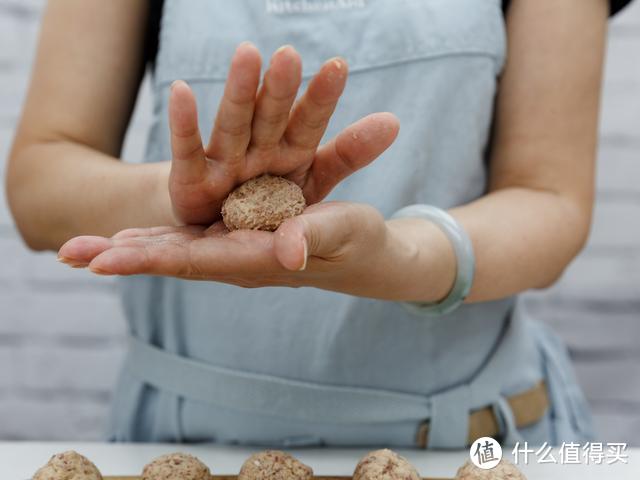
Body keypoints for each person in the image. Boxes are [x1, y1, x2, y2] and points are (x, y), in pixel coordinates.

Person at [6, 0, 633, 448]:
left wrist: (399, 256)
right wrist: (177, 192)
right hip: (183, 442)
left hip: (456, 440)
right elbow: (40, 183)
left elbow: (549, 197)